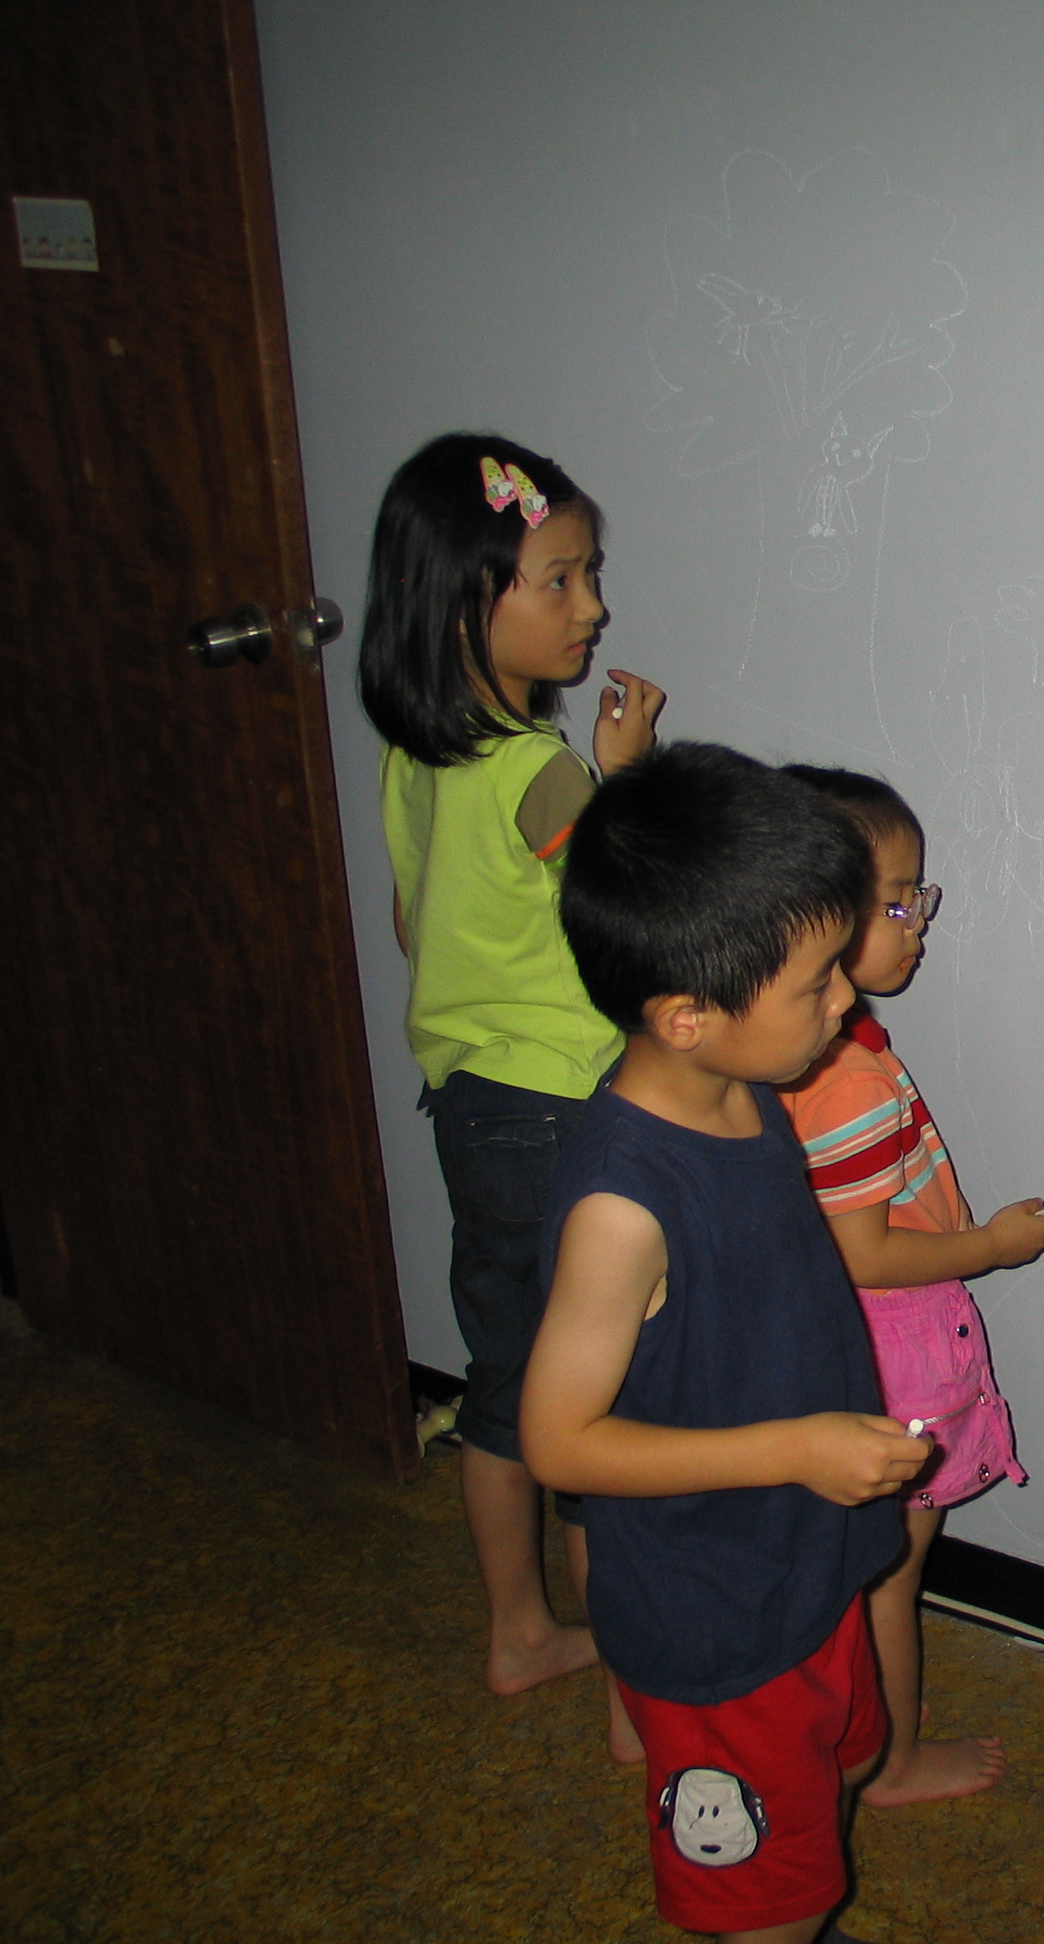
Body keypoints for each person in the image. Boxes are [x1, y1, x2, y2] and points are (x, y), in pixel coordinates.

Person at [520, 743, 928, 1944]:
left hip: (800, 1564)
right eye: (815, 984)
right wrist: (795, 1448)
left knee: (832, 1777)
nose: (845, 1000)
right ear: (686, 1017)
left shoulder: (742, 1091)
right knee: (764, 1897)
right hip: (716, 1614)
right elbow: (559, 1442)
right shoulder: (621, 1207)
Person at [358, 432, 666, 1757]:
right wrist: (628, 772)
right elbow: (631, 901)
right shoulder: (541, 771)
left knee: (504, 1380)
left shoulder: (417, 756)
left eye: (589, 574)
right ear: (465, 603)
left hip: (472, 1106)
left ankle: (520, 1632)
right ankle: (635, 1700)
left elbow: (410, 922)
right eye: (562, 579)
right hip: (560, 1112)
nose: (593, 605)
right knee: (598, 1396)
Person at [778, 767, 1044, 1809]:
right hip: (891, 1343)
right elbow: (865, 1253)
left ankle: (865, 1708)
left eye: (917, 897)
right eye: (898, 902)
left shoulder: (824, 1046)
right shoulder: (847, 1075)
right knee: (891, 1572)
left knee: (859, 1567)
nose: (919, 923)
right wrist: (989, 1246)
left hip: (849, 1339)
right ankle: (889, 1760)